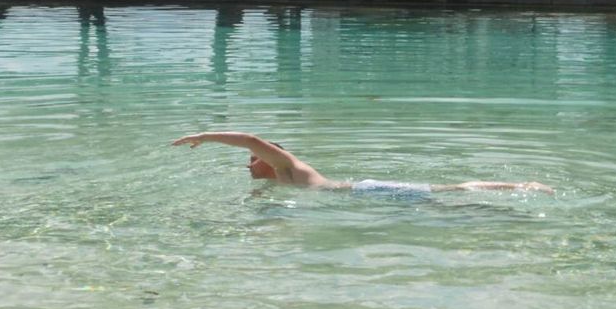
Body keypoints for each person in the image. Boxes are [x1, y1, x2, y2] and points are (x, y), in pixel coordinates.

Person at [171, 131, 554, 194]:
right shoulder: (276, 183)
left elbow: (253, 140)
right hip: (360, 199)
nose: (248, 165)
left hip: (366, 194)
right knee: (445, 201)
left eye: (253, 161)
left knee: (448, 192)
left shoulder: (287, 166)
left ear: (270, 157)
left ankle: (522, 187)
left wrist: (205, 136)